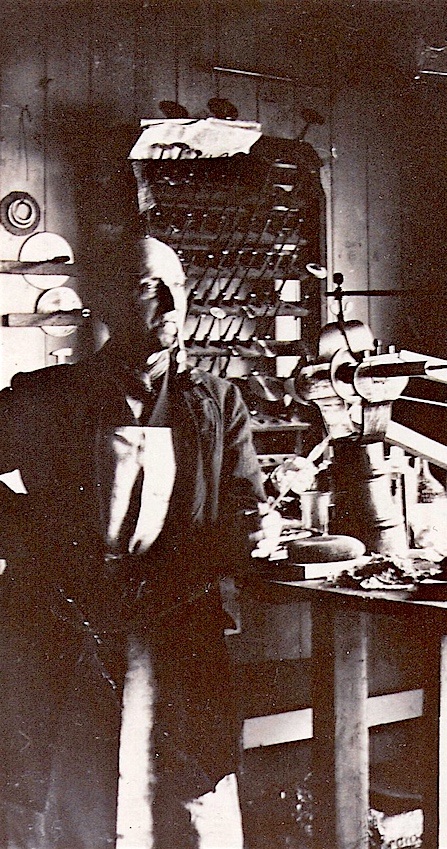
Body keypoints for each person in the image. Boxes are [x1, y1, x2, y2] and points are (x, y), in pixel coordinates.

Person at [0, 235, 280, 848]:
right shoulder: (48, 399)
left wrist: (257, 528)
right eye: (147, 289)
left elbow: (243, 503)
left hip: (177, 619)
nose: (169, 303)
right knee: (67, 789)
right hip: (71, 620)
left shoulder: (215, 403)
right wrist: (27, 535)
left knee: (190, 792)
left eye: (176, 288)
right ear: (105, 306)